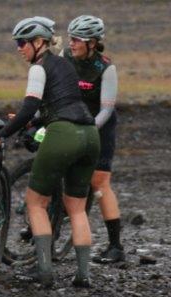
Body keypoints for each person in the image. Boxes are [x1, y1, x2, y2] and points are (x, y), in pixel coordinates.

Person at [0, 17, 100, 288]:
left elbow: (29, 106)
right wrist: (33, 121)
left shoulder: (38, 68)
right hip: (90, 135)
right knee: (77, 208)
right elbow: (61, 102)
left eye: (22, 43)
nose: (19, 48)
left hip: (64, 134)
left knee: (36, 203)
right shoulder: (65, 64)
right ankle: (83, 275)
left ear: (38, 42)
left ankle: (44, 271)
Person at [65, 15, 124, 264]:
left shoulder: (106, 68)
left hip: (99, 126)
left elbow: (106, 109)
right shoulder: (65, 58)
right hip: (70, 120)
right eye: (70, 38)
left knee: (99, 182)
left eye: (77, 39)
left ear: (92, 43)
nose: (71, 43)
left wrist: (89, 129)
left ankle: (115, 246)